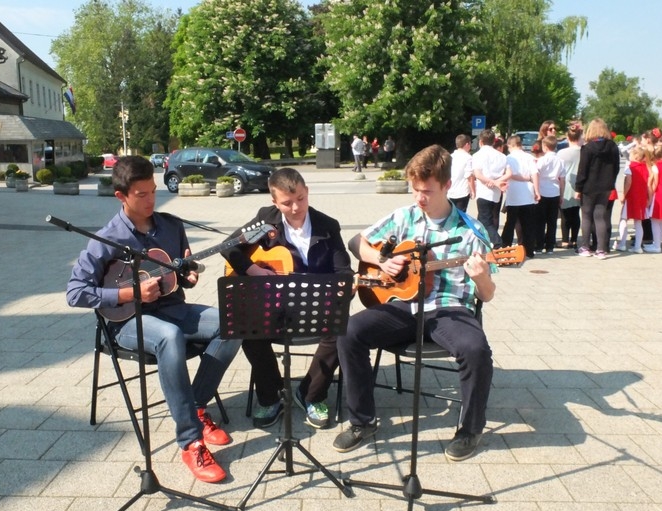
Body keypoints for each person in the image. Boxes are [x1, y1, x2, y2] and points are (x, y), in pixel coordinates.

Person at [66, 156, 241, 484]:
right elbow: (75, 293)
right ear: (121, 196)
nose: (151, 200)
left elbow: (182, 273)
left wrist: (188, 276)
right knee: (169, 336)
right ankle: (190, 441)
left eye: (153, 191)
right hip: (127, 321)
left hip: (172, 309)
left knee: (233, 322)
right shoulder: (107, 239)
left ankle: (195, 406)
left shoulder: (171, 226)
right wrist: (130, 293)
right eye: (141, 194)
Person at [334, 144, 497, 462]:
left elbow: (487, 294)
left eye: (427, 191)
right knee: (349, 331)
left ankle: (470, 429)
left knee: (476, 350)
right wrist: (381, 260)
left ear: (447, 185)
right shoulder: (403, 216)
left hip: (449, 308)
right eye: (415, 189)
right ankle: (362, 421)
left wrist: (481, 278)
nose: (419, 198)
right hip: (403, 304)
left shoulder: (471, 231)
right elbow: (356, 242)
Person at [221, 168, 352, 429]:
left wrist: (344, 287)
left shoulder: (327, 226)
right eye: (286, 203)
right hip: (272, 304)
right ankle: (271, 396)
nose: (295, 208)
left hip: (313, 305)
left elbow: (344, 272)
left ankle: (311, 394)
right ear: (274, 201)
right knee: (248, 330)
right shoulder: (266, 221)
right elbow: (229, 247)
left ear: (307, 192)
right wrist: (254, 270)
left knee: (341, 329)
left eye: (301, 199)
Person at [575, 118, 621, 259]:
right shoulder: (613, 147)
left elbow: (582, 170)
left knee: (586, 216)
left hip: (589, 187)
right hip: (606, 186)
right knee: (600, 217)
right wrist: (611, 182)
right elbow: (617, 167)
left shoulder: (587, 148)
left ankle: (585, 247)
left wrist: (578, 188)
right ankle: (601, 249)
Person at [501, 134, 539, 258]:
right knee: (528, 224)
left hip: (513, 194)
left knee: (510, 223)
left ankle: (505, 247)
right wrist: (537, 191)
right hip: (528, 194)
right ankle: (529, 250)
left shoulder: (508, 158)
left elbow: (508, 174)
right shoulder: (529, 157)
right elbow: (535, 174)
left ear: (510, 145)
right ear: (520, 144)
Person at [472, 129, 510, 248]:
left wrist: (490, 182)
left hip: (484, 191)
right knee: (485, 218)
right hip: (496, 192)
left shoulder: (478, 155)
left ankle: (498, 243)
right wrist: (497, 182)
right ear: (494, 141)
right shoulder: (502, 156)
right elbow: (509, 173)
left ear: (481, 141)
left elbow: (478, 174)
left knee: (485, 220)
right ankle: (481, 243)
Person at [614, 147, 649, 252]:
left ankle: (622, 244)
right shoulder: (646, 167)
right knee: (638, 222)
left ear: (636, 156)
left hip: (631, 196)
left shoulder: (630, 167)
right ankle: (638, 246)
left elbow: (628, 182)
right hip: (642, 196)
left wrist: (623, 194)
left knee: (623, 219)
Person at [535, 136, 566, 254]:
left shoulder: (542, 160)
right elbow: (562, 180)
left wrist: (535, 190)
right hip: (555, 192)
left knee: (540, 221)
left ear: (545, 147)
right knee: (552, 221)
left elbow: (536, 174)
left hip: (542, 191)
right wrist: (562, 195)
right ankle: (550, 247)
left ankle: (539, 245)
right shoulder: (560, 161)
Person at [558, 123, 583, 249]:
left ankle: (565, 240)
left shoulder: (562, 153)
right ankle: (574, 239)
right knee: (576, 214)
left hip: (566, 185)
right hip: (580, 185)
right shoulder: (584, 151)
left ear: (568, 138)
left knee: (565, 215)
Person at [448, 134, 474, 212]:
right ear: (467, 144)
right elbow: (469, 176)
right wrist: (472, 190)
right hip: (463, 191)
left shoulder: (450, 157)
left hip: (450, 190)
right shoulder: (468, 158)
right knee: (461, 214)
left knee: (451, 213)